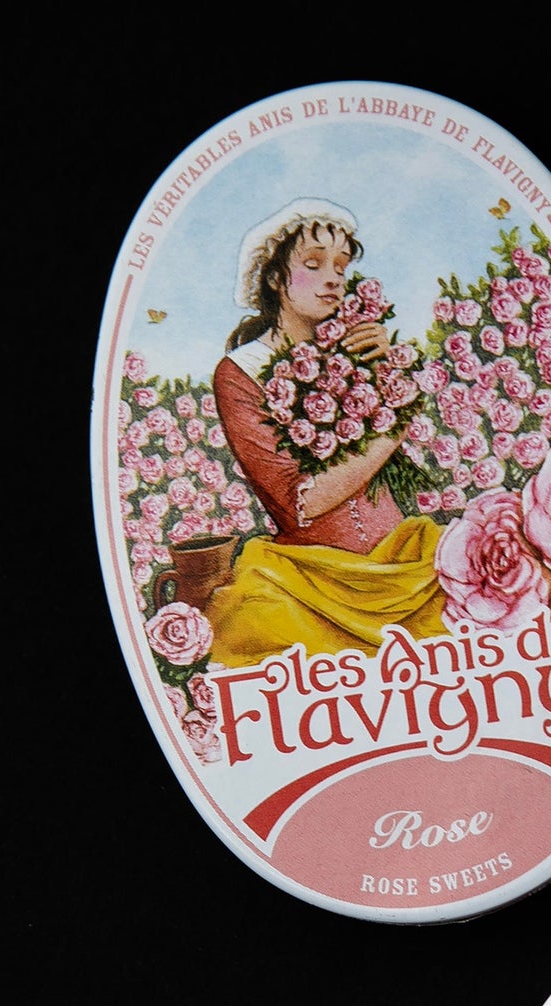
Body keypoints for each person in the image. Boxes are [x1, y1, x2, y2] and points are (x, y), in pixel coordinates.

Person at [203, 198, 448, 665]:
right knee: (259, 624)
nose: (333, 278)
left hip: (401, 566)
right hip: (310, 580)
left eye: (341, 266)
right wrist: (393, 424)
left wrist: (388, 371)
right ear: (275, 278)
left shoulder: (358, 347)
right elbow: (302, 502)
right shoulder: (240, 373)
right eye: (313, 264)